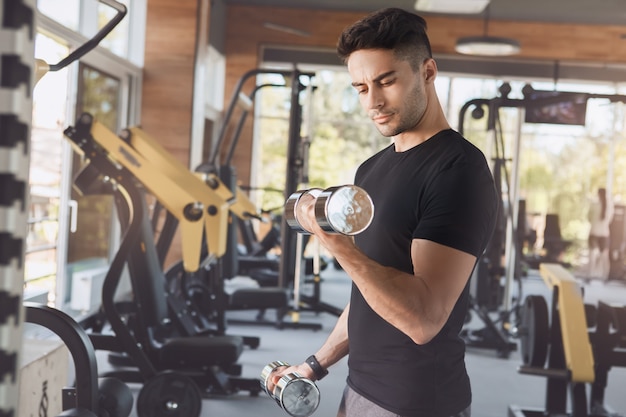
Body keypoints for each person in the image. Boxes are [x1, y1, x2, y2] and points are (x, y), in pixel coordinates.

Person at [267, 8, 498, 417]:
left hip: (418, 402)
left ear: (427, 72)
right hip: (360, 389)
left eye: (386, 81)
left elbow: (424, 319)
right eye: (360, 87)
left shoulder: (459, 170)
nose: (372, 101)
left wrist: (332, 240)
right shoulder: (371, 169)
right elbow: (369, 290)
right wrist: (318, 363)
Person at [588, 187, 614, 280]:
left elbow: (589, 218)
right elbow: (610, 220)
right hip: (604, 233)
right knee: (604, 257)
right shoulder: (610, 206)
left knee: (592, 255)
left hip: (594, 232)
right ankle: (605, 277)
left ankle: (590, 275)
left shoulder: (594, 204)